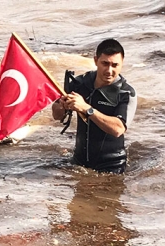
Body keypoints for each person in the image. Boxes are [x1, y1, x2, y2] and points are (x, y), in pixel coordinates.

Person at [51, 39, 137, 174]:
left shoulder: (125, 93)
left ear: (122, 64)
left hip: (112, 167)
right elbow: (56, 115)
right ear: (96, 60)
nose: (109, 70)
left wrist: (86, 109)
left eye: (115, 65)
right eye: (105, 63)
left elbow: (118, 129)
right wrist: (63, 106)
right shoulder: (80, 83)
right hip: (78, 162)